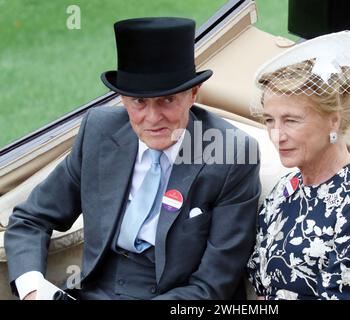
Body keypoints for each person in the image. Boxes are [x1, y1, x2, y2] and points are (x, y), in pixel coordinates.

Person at [5, 17, 261, 300]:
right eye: (139, 102)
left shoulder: (232, 154)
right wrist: (32, 290)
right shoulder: (99, 131)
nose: (152, 119)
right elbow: (30, 219)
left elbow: (213, 287)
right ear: (122, 99)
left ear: (193, 94)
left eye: (167, 100)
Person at [246, 31, 350, 300]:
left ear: (334, 121)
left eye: (291, 120)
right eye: (270, 120)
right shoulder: (288, 186)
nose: (276, 135)